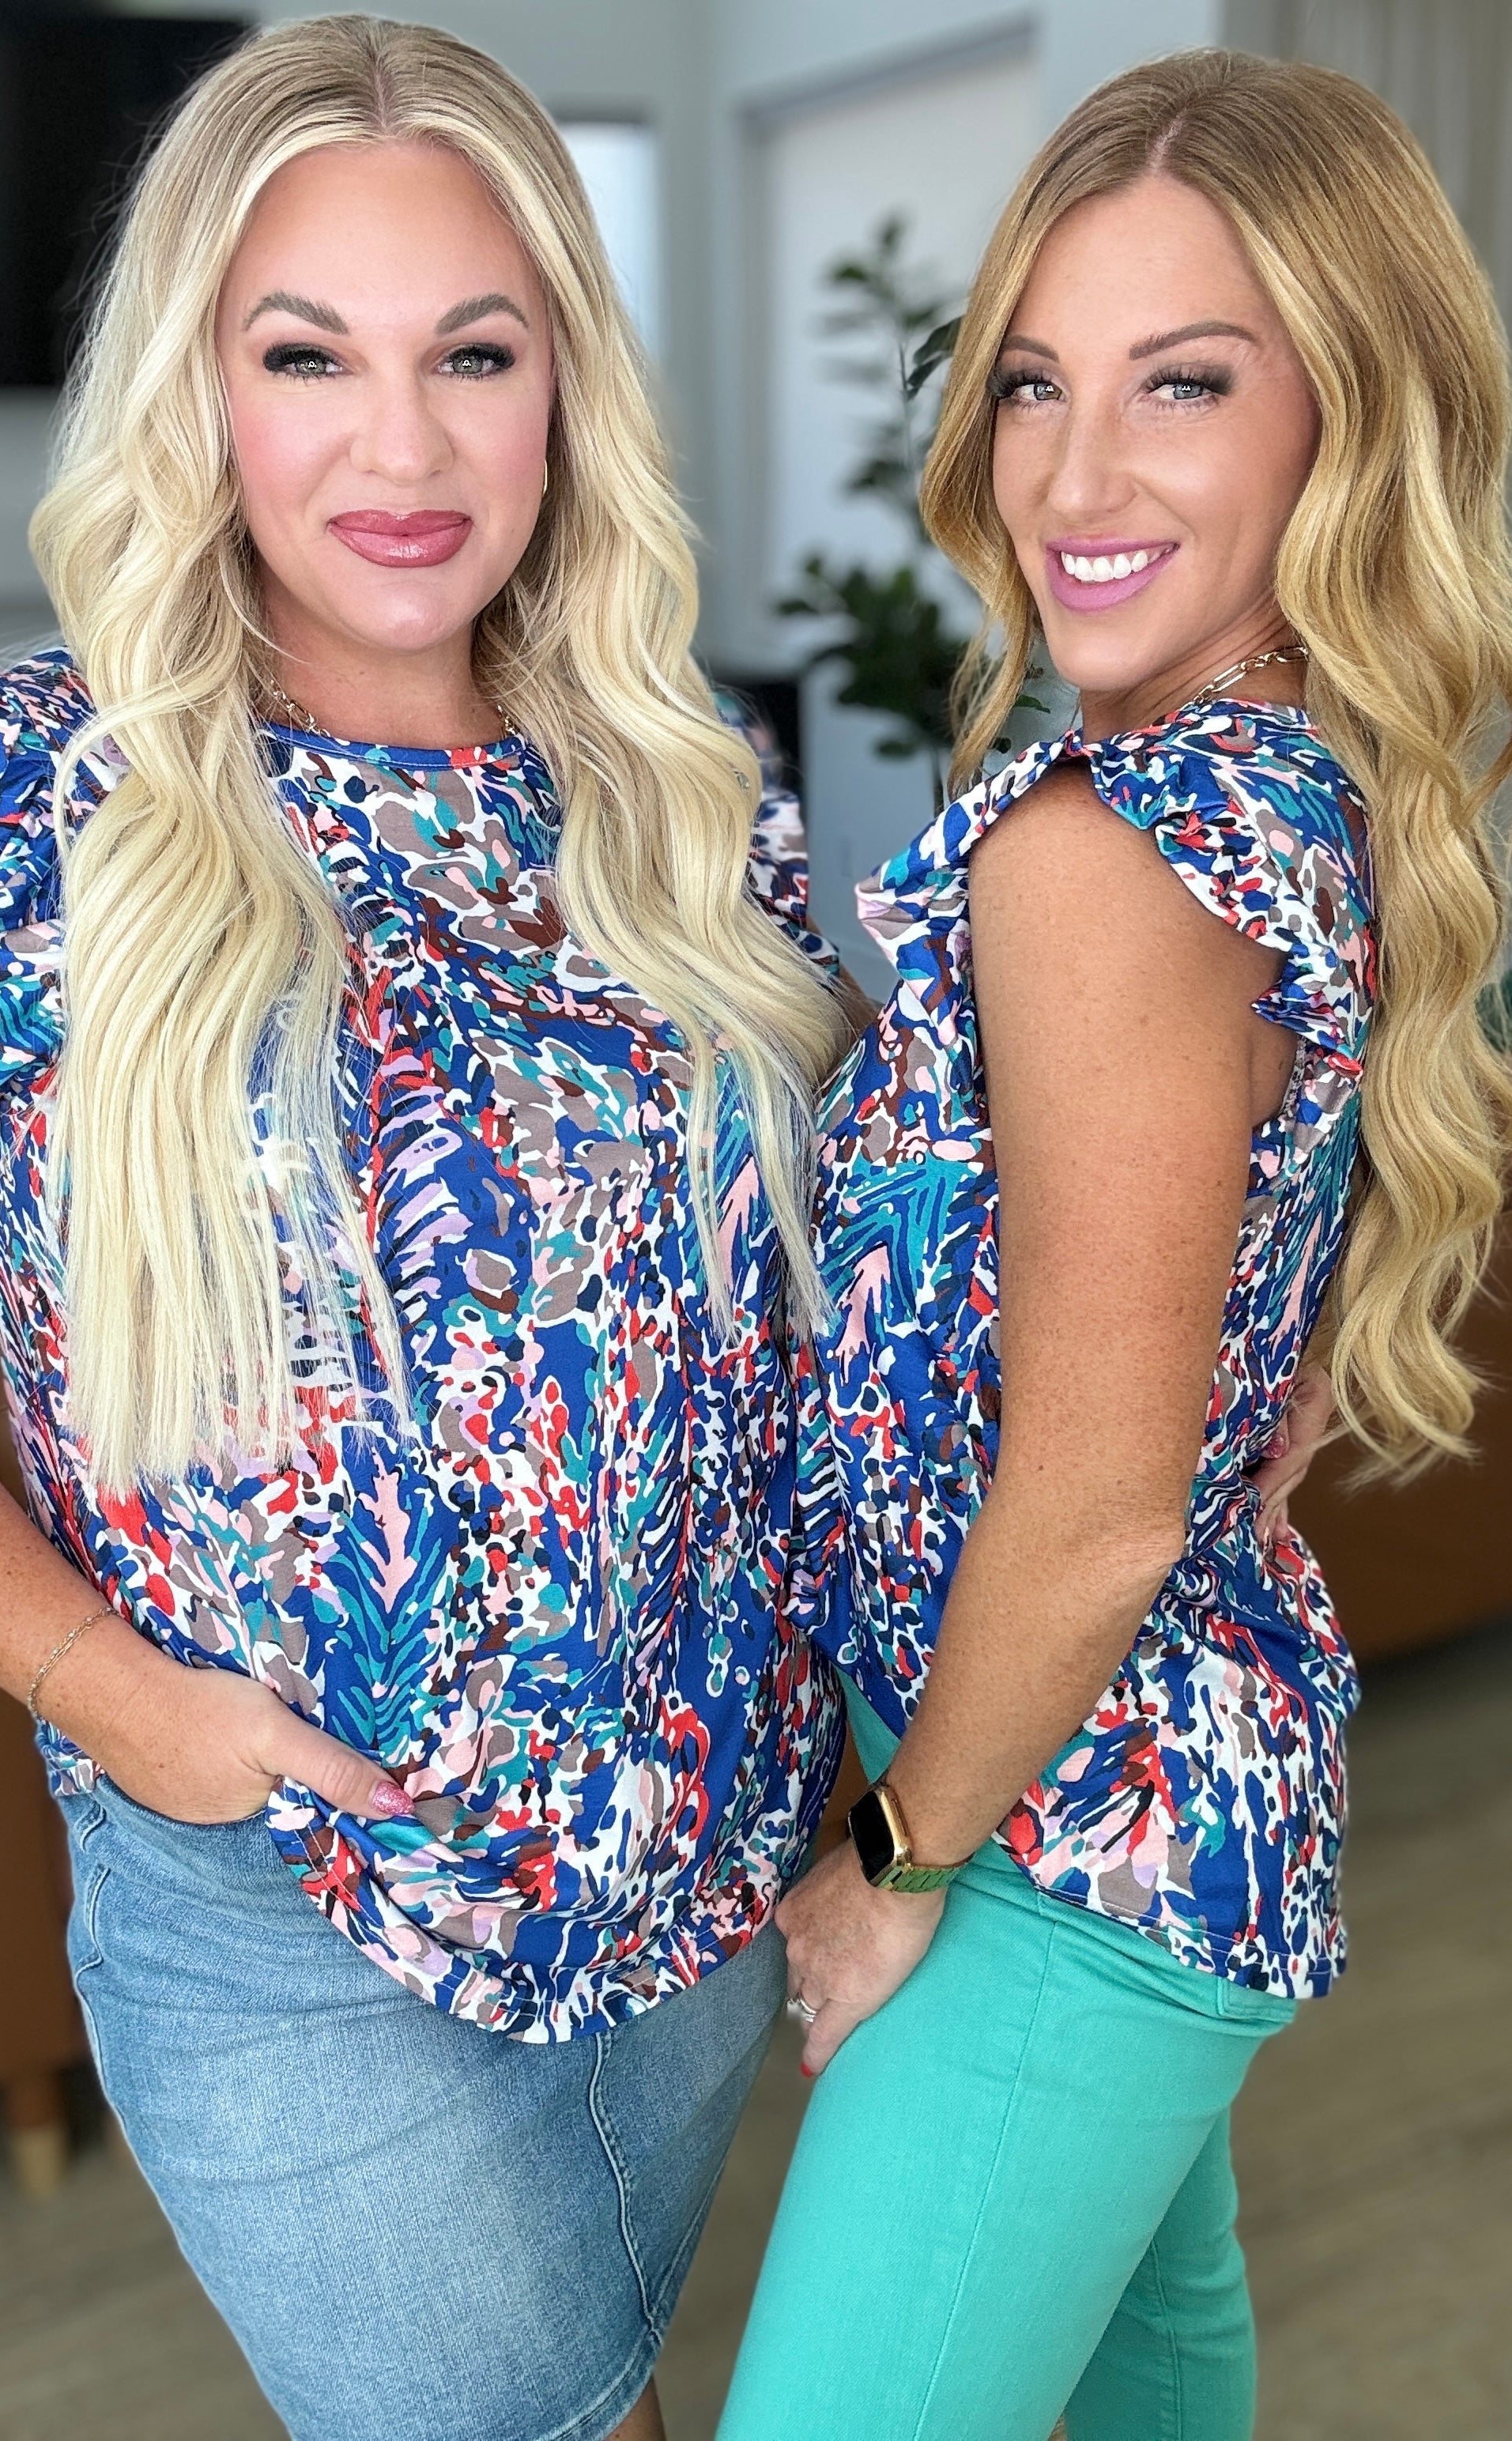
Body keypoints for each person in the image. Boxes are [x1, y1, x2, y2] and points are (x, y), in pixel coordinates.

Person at [0, 19, 861, 2441]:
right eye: (307, 354)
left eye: (474, 354)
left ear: (565, 392)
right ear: (195, 389)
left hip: (698, 1875)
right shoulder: (11, 798)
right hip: (292, 1912)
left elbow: (819, 1322)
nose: (402, 449)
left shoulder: (681, 805)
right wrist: (121, 1701)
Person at [722, 48, 1512, 2441]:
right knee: (1157, 2383)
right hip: (1132, 1780)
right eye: (1034, 384)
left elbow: (1093, 1513)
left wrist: (889, 1861)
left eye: (1183, 383)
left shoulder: (1101, 853)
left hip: (1060, 1835)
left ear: (1345, 416)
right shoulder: (1292, 789)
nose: (1073, 479)